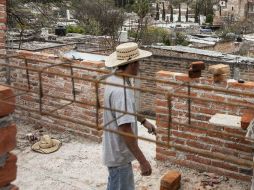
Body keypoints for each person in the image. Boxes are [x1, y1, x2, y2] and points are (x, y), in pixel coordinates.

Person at [103, 42, 157, 190]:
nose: (140, 65)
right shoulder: (122, 91)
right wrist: (143, 161)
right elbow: (125, 130)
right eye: (138, 62)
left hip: (115, 151)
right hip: (120, 155)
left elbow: (125, 110)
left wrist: (143, 120)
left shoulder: (115, 78)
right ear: (132, 64)